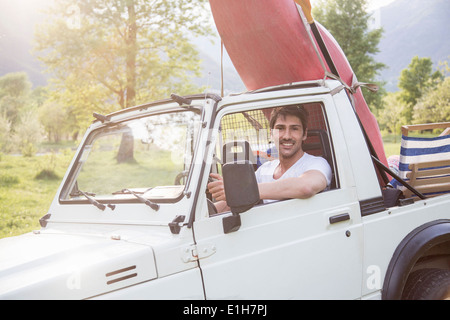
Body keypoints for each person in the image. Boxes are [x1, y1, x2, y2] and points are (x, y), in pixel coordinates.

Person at [208, 105, 332, 212]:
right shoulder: (265, 170)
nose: (287, 136)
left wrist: (239, 189)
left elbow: (306, 187)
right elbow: (235, 201)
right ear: (271, 134)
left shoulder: (317, 164)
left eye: (294, 129)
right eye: (280, 128)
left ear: (304, 134)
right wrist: (210, 210)